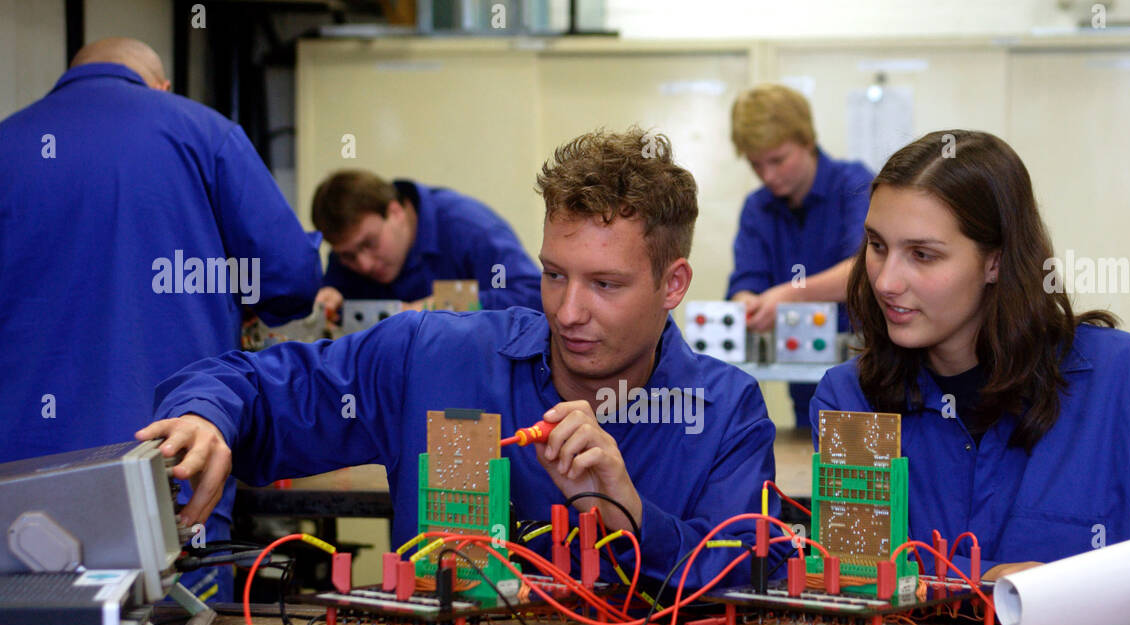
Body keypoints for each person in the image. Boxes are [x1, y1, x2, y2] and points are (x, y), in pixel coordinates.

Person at [137, 128, 776, 588]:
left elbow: (747, 573)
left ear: (673, 284)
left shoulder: (725, 414)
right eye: (554, 275)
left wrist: (628, 518)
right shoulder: (432, 360)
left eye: (605, 285)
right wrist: (208, 416)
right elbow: (258, 388)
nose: (569, 311)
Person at [811, 129, 1130, 625]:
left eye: (923, 255)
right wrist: (977, 592)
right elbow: (853, 590)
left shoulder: (1124, 383)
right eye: (877, 247)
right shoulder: (852, 400)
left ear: (996, 261)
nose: (885, 280)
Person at [0, 37, 323, 601]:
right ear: (162, 86)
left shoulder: (9, 142)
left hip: (17, 487)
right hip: (165, 464)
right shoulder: (203, 133)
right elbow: (291, 279)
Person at [726, 83, 874, 428]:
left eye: (778, 160)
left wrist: (791, 295)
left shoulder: (856, 185)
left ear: (807, 140)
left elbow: (865, 269)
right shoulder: (757, 208)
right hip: (806, 388)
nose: (768, 175)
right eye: (756, 164)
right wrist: (748, 304)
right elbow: (747, 279)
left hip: (866, 379)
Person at [311, 170, 543, 319]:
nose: (365, 264)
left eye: (370, 244)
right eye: (348, 256)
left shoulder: (470, 229)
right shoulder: (348, 251)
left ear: (395, 212)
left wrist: (436, 305)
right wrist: (329, 303)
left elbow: (529, 294)